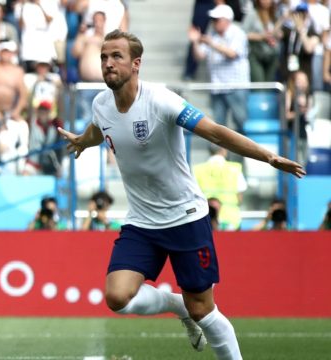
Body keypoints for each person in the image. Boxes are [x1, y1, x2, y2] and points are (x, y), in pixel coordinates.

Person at [58, 30, 305, 359]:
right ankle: (176, 305)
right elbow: (98, 128)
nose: (107, 63)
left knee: (204, 309)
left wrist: (268, 156)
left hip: (185, 217)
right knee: (117, 297)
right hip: (142, 222)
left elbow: (215, 131)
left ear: (136, 64)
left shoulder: (162, 101)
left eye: (116, 56)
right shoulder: (100, 103)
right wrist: (82, 141)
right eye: (103, 57)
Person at [189, 4, 250, 134]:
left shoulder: (237, 33)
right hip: (217, 86)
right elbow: (199, 56)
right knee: (218, 126)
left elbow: (232, 54)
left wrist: (211, 43)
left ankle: (242, 153)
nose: (214, 22)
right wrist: (195, 42)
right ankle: (221, 153)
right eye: (213, 19)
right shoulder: (213, 35)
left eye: (217, 19)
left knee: (240, 122)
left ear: (227, 20)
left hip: (236, 86)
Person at [193, 144, 247, 230]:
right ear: (223, 150)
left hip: (206, 219)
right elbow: (240, 197)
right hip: (231, 220)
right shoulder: (234, 169)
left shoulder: (197, 169)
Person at [23, 100, 64, 176]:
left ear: (49, 112)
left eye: (45, 111)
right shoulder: (31, 123)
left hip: (48, 164)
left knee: (58, 176)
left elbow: (58, 149)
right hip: (33, 163)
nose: (43, 113)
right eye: (41, 111)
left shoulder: (54, 126)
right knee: (25, 174)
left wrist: (58, 166)